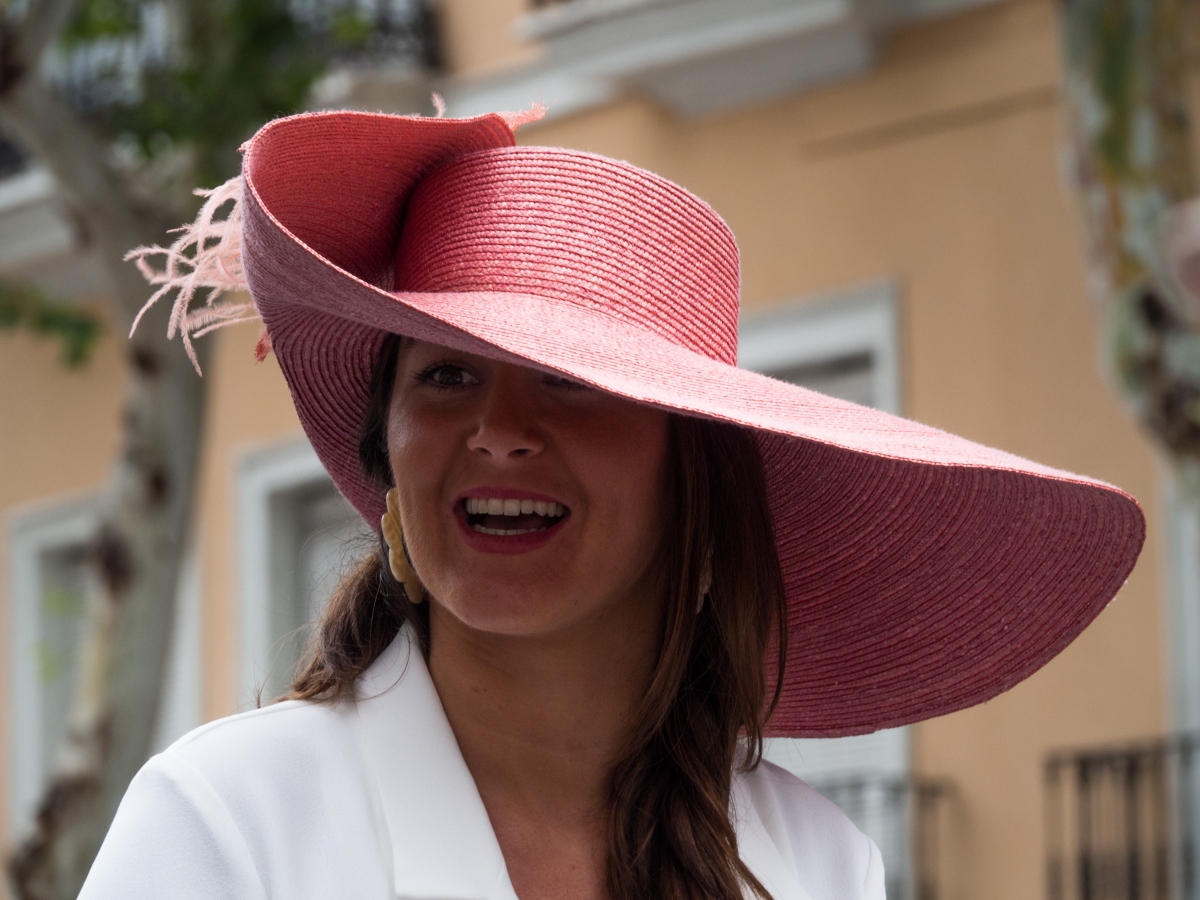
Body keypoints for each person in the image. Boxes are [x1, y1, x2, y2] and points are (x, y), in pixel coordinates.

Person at [79, 107, 1144, 900]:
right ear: (387, 459)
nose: (496, 430)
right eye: (444, 378)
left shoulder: (819, 865)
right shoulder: (228, 822)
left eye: (569, 383)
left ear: (695, 477)